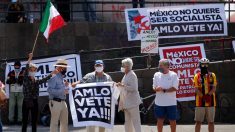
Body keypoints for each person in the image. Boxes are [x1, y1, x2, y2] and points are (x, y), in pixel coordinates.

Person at [72, 60, 112, 132]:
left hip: (102, 105)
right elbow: (81, 82)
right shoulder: (89, 76)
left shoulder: (108, 77)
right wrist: (75, 84)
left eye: (100, 65)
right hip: (91, 105)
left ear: (103, 66)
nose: (98, 67)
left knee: (102, 125)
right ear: (94, 66)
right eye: (97, 66)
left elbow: (112, 87)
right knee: (91, 125)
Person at [22, 53, 58, 132]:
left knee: (34, 121)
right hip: (26, 100)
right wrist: (30, 58)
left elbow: (44, 80)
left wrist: (52, 74)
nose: (33, 71)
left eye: (34, 70)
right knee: (25, 121)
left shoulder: (35, 80)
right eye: (31, 70)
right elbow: (26, 67)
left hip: (34, 101)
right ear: (28, 71)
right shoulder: (25, 78)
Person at [153, 59, 179, 132]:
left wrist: (164, 90)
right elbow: (153, 87)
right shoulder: (156, 75)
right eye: (159, 65)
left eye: (161, 65)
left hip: (171, 103)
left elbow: (175, 88)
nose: (159, 67)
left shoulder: (173, 75)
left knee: (172, 120)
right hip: (159, 103)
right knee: (160, 120)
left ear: (167, 66)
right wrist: (156, 88)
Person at [116, 58, 142, 132]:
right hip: (126, 103)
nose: (122, 66)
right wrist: (119, 85)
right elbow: (124, 86)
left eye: (123, 65)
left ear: (127, 66)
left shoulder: (132, 75)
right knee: (127, 122)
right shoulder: (126, 75)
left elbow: (134, 88)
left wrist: (123, 85)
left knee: (136, 122)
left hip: (133, 103)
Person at [194, 58, 217, 132]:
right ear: (199, 65)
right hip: (200, 103)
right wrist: (203, 97)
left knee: (211, 122)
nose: (204, 66)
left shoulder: (212, 75)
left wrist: (208, 95)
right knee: (198, 122)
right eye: (202, 64)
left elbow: (214, 88)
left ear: (208, 65)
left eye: (206, 64)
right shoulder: (196, 76)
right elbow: (196, 89)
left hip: (211, 102)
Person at [47, 59, 70, 132]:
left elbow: (60, 89)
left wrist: (66, 86)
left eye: (65, 67)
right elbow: (49, 90)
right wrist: (63, 91)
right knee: (54, 123)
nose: (65, 69)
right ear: (59, 68)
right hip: (55, 102)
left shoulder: (61, 77)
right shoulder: (54, 77)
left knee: (64, 123)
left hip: (63, 102)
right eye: (64, 67)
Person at [6, 60, 24, 124]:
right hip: (12, 91)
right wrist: (13, 80)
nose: (16, 67)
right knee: (11, 105)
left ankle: (20, 120)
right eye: (15, 66)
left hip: (20, 91)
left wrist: (20, 81)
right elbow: (7, 81)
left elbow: (24, 81)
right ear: (14, 66)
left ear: (20, 66)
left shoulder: (23, 72)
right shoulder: (10, 73)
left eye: (18, 66)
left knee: (20, 105)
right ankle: (10, 120)